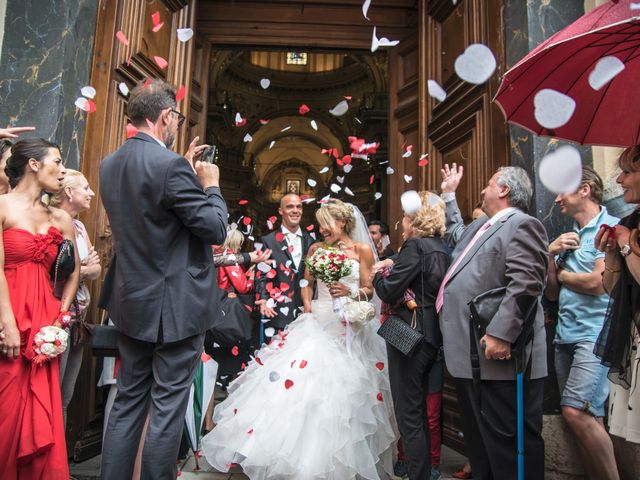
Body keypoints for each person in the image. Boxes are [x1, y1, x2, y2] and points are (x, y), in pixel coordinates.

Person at [202, 199, 396, 479]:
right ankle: (297, 461)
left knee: (349, 394)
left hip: (350, 328)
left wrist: (351, 295)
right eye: (319, 224)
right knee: (302, 392)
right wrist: (307, 305)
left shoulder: (363, 250)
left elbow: (369, 289)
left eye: (325, 223)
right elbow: (306, 282)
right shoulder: (316, 249)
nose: (321, 229)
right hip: (319, 323)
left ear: (342, 222)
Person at [99, 79, 228, 480]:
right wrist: (211, 185)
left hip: (131, 301)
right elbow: (214, 228)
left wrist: (185, 175)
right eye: (176, 118)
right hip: (175, 308)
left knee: (128, 403)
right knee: (167, 408)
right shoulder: (170, 165)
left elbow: (154, 219)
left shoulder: (109, 163)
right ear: (166, 117)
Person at [438, 163, 548, 480]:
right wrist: (448, 195)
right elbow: (454, 234)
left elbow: (526, 283)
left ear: (503, 189)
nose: (483, 190)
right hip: (470, 359)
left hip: (500, 359)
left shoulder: (522, 224)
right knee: (482, 448)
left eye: (488, 184)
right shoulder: (482, 226)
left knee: (508, 449)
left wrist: (502, 334)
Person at [0, 138, 80, 479]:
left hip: (43, 328)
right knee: (6, 410)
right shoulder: (2, 207)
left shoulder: (60, 218)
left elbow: (73, 270)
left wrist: (60, 319)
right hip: (8, 317)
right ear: (34, 164)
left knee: (41, 414)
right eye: (57, 161)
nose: (62, 171)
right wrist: (8, 324)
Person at [544, 166, 619, 480]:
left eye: (564, 191)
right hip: (565, 337)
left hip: (595, 336)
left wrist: (563, 276)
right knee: (588, 417)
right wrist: (550, 256)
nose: (558, 198)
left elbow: (598, 283)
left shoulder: (610, 227)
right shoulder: (568, 236)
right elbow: (551, 293)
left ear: (585, 189)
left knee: (576, 411)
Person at [372, 191, 449, 480]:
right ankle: (425, 471)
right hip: (432, 334)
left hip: (409, 334)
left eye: (405, 217)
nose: (402, 222)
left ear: (415, 218)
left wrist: (379, 273)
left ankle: (418, 475)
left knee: (410, 413)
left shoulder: (415, 245)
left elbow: (390, 290)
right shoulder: (440, 246)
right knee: (420, 410)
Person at [595, 145, 640, 446]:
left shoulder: (628, 232)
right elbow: (612, 289)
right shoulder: (629, 223)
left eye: (627, 172)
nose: (619, 181)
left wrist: (626, 246)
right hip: (633, 335)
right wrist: (612, 256)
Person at [49, 169, 102, 428]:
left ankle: (58, 464)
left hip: (78, 319)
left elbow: (96, 268)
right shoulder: (50, 224)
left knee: (65, 395)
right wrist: (83, 269)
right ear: (68, 192)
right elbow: (57, 273)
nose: (91, 192)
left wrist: (80, 269)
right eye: (85, 188)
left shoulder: (79, 227)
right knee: (52, 392)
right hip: (55, 316)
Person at [255, 193, 313, 338]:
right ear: (280, 211)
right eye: (290, 207)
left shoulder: (312, 241)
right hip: (278, 313)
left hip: (307, 312)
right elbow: (262, 274)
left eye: (299, 207)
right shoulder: (267, 240)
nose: (295, 210)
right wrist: (263, 299)